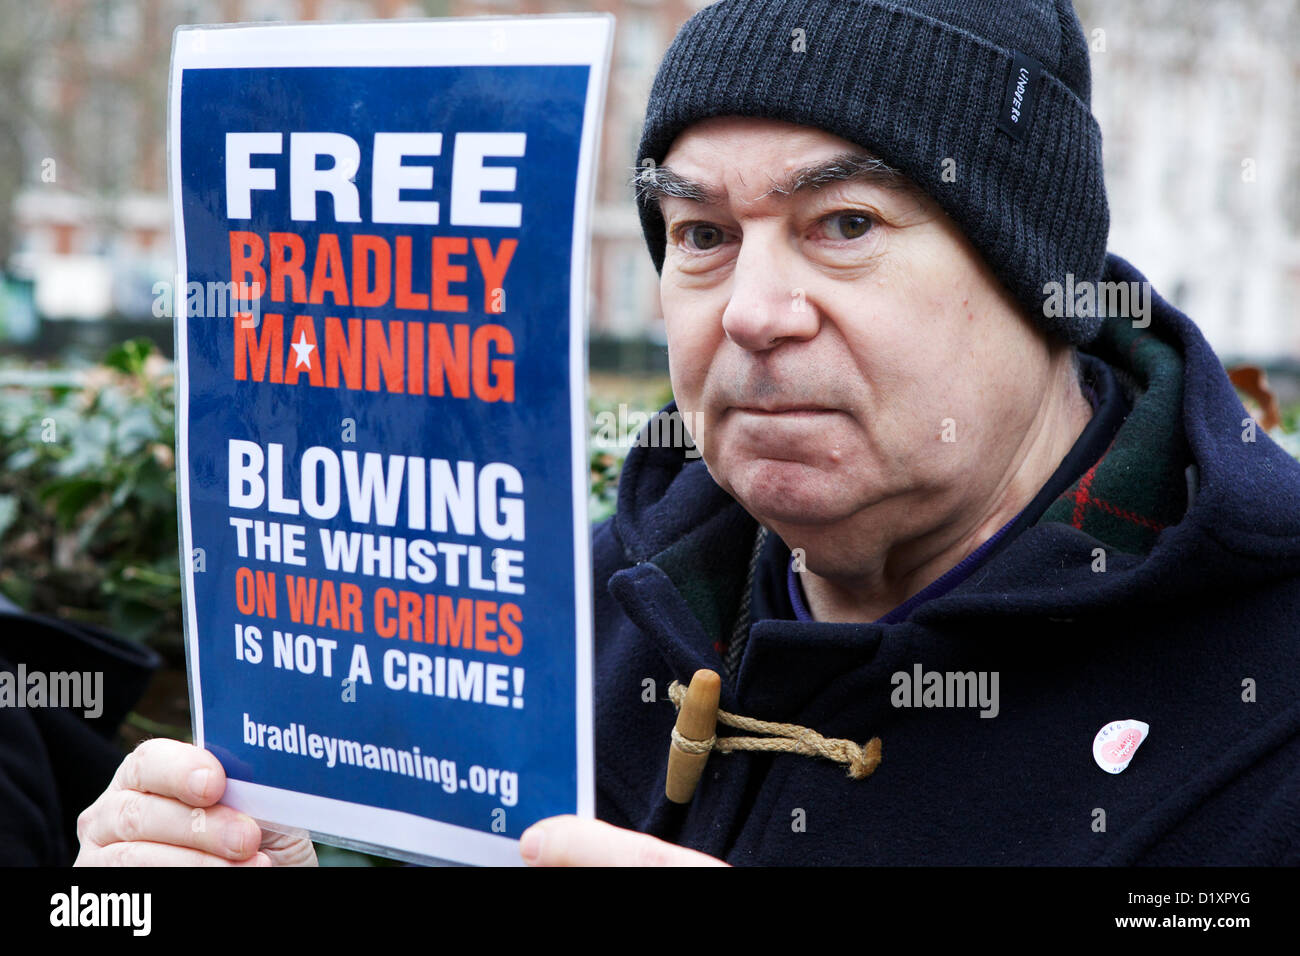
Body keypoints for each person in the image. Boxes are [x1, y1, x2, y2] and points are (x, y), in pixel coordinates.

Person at [74, 0, 1300, 866]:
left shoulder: (1266, 695)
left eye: (845, 222)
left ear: (1039, 278)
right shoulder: (570, 629)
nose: (755, 313)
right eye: (702, 235)